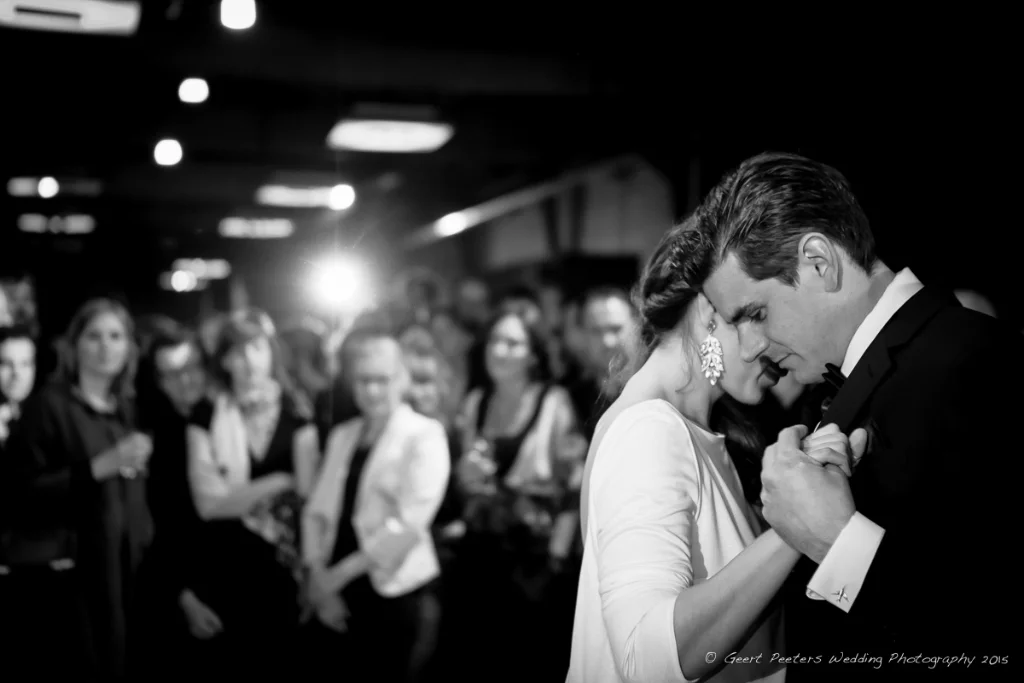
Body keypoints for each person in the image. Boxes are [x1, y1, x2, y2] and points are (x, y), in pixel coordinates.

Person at [697, 152, 1021, 681]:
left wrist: (834, 540)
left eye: (756, 314)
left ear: (818, 262)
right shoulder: (848, 385)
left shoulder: (973, 362)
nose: (752, 346)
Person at [567, 219, 863, 683]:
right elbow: (645, 659)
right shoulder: (649, 432)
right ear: (709, 309)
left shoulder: (690, 430)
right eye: (760, 312)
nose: (782, 338)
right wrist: (796, 522)